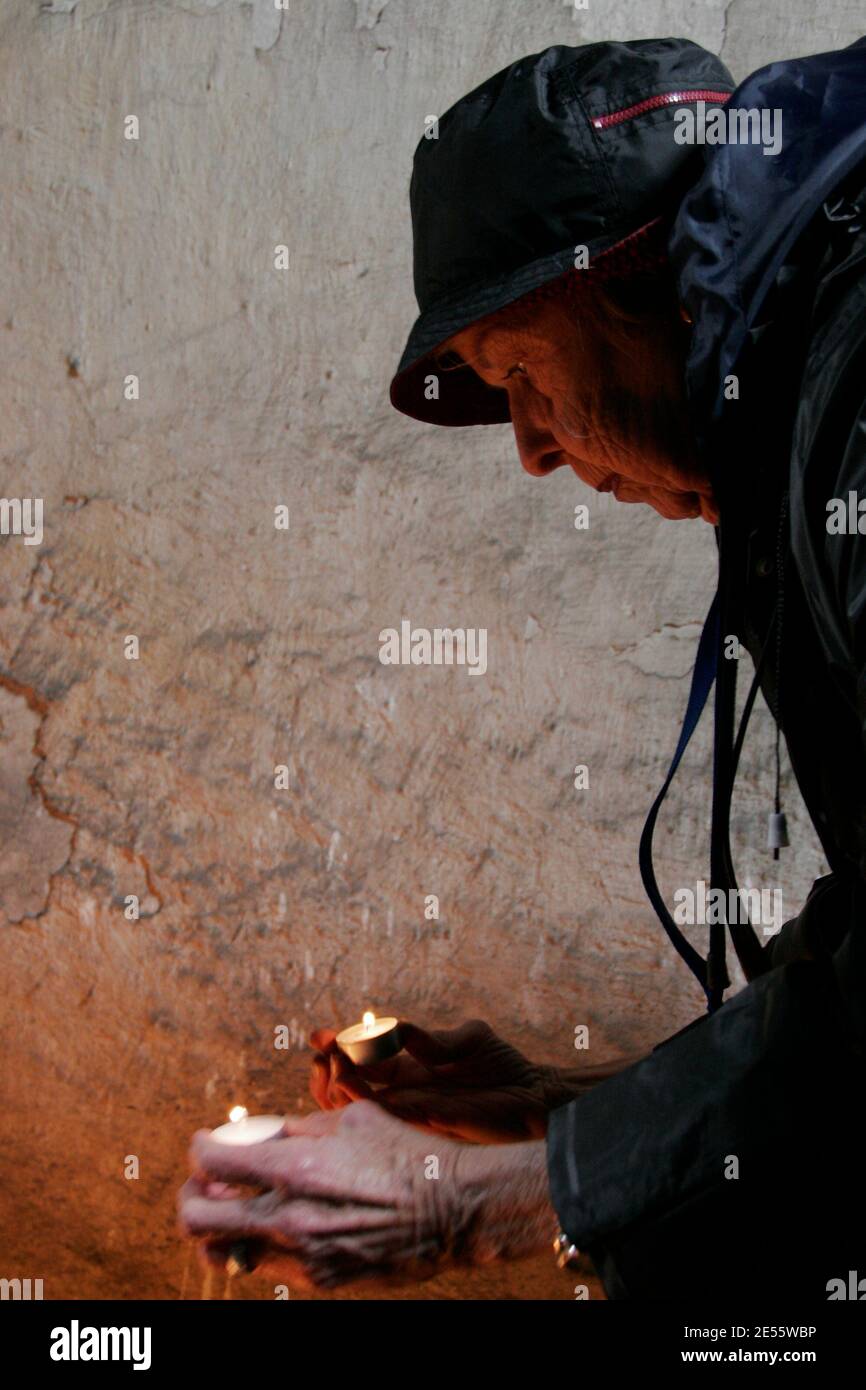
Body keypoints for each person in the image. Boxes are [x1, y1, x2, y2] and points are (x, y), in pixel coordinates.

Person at [179, 35, 866, 1298]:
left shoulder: (850, 405)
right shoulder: (793, 410)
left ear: (639, 280)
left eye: (517, 377)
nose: (532, 456)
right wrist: (556, 1110)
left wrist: (494, 1199)